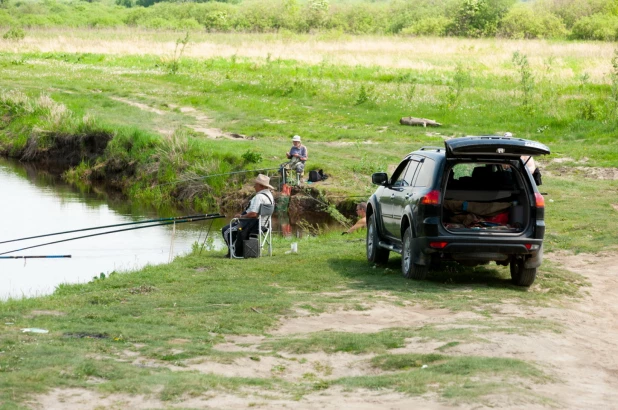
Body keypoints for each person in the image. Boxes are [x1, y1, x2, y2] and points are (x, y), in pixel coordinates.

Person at [222, 174, 275, 257]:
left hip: (254, 225)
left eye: (256, 185)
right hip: (265, 225)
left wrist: (241, 216)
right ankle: (238, 250)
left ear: (261, 186)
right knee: (234, 229)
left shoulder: (259, 197)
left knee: (226, 230)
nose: (254, 187)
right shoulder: (270, 196)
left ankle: (233, 252)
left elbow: (254, 214)